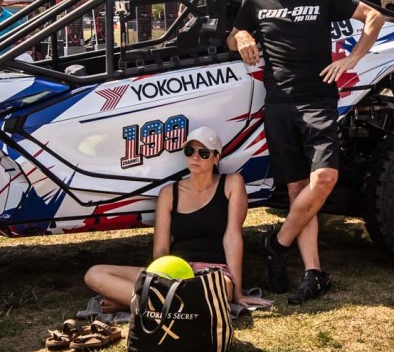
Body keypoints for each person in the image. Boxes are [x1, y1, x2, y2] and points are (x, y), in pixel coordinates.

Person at [228, 0, 384, 304]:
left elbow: (373, 17)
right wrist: (242, 36)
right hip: (278, 104)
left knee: (325, 178)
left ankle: (277, 243)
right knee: (299, 192)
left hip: (317, 101)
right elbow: (233, 36)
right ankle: (313, 273)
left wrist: (353, 58)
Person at [83, 127, 264, 311]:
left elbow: (232, 237)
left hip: (213, 273)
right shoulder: (169, 192)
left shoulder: (231, 183)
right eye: (190, 151)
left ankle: (138, 301)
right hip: (173, 271)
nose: (195, 157)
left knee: (219, 291)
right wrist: (163, 278)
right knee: (94, 274)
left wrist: (237, 291)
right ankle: (159, 302)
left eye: (203, 153)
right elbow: (161, 250)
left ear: (216, 157)